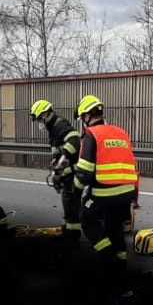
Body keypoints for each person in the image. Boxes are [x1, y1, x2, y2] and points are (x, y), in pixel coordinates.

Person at [72, 95, 138, 270]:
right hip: (127, 192)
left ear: (87, 116)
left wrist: (75, 190)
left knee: (87, 220)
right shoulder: (121, 132)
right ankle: (121, 263)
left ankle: (109, 256)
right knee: (114, 226)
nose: (83, 122)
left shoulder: (91, 135)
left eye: (82, 118)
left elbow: (84, 172)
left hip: (104, 193)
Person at [30, 99, 83, 239]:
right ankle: (67, 232)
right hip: (68, 172)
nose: (39, 122)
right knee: (68, 202)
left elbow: (75, 141)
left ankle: (72, 237)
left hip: (73, 171)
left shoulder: (60, 124)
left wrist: (63, 158)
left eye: (39, 119)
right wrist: (56, 160)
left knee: (71, 203)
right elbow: (58, 146)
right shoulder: (52, 128)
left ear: (45, 114)